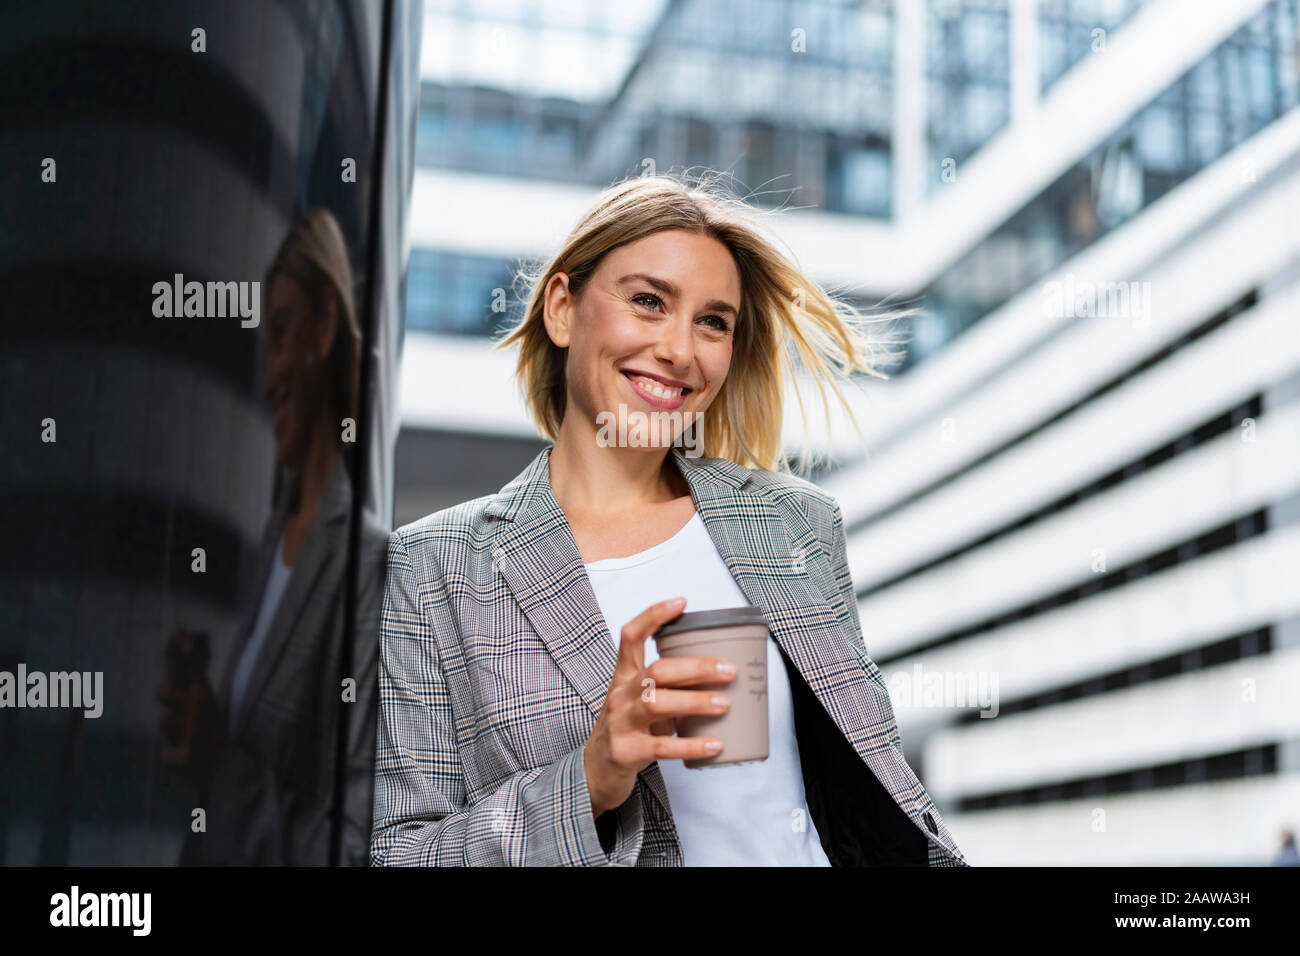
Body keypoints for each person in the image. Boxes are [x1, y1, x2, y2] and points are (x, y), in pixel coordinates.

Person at [370, 172, 969, 866]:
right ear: (563, 309)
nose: (681, 350)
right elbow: (398, 856)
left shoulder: (795, 525)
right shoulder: (433, 569)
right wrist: (591, 779)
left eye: (713, 321)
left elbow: (870, 784)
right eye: (649, 302)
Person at [158, 209, 388, 865]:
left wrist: (219, 771)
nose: (267, 379)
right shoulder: (272, 542)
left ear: (323, 323)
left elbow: (351, 847)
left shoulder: (368, 565)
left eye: (282, 333)